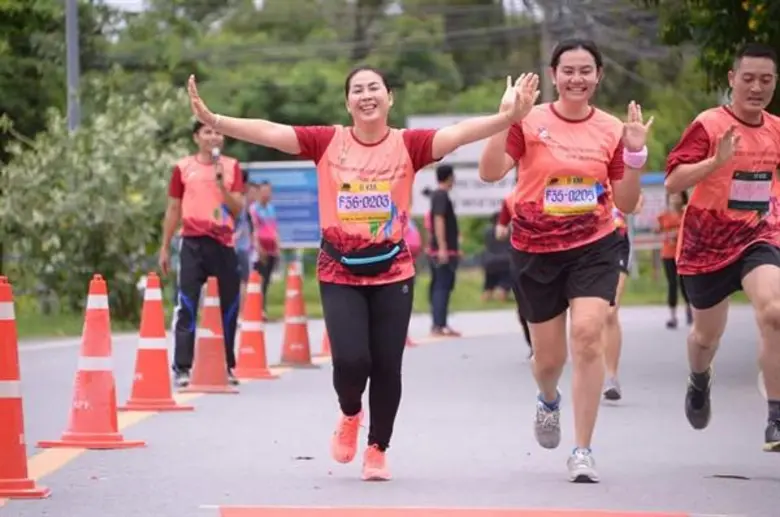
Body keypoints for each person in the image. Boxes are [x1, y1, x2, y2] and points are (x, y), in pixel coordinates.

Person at [186, 67, 541, 480]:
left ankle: (378, 447)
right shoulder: (327, 141)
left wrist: (507, 118)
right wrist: (215, 121)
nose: (366, 95)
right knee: (352, 360)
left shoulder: (410, 145)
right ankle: (351, 412)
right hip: (339, 269)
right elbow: (271, 131)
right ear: (347, 102)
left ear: (390, 98)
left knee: (387, 365)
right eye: (357, 90)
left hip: (394, 271)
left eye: (374, 88)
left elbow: (460, 133)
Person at [478, 38, 651, 483]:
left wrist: (634, 156)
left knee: (589, 334)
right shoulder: (529, 120)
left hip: (595, 245)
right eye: (568, 70)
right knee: (548, 359)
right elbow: (490, 171)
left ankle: (583, 450)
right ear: (554, 75)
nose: (577, 78)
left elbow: (628, 203)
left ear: (599, 77)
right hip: (536, 250)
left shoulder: (612, 128)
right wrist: (505, 119)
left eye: (586, 70)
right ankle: (548, 398)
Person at [663, 42, 780, 451]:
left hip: (757, 236)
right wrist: (715, 162)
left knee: (774, 312)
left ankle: (776, 418)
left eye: (766, 80)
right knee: (705, 338)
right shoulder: (710, 124)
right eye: (748, 78)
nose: (756, 87)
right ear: (732, 80)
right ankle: (698, 380)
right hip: (706, 246)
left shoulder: (777, 130)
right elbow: (674, 181)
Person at [160, 121, 245, 388]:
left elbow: (238, 208)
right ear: (197, 137)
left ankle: (227, 365)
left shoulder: (232, 167)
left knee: (229, 306)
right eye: (207, 132)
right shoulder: (183, 168)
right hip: (192, 243)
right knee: (186, 304)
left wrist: (221, 187)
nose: (213, 137)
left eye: (217, 132)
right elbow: (173, 208)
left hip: (223, 242)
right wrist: (164, 246)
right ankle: (182, 367)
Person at [602, 193, 643, 402]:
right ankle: (592, 367)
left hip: (616, 239)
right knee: (590, 315)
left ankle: (611, 376)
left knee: (610, 311)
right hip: (584, 238)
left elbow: (636, 203)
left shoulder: (617, 167)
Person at [496, 192, 533, 356]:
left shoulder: (510, 198)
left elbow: (499, 233)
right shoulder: (511, 199)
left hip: (529, 257)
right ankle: (536, 345)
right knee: (526, 305)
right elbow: (500, 231)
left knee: (526, 304)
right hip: (526, 257)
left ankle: (537, 345)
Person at [428, 164, 461, 337]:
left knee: (440, 286)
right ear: (449, 177)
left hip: (441, 249)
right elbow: (438, 220)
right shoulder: (441, 196)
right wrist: (442, 248)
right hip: (443, 251)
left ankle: (440, 324)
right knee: (442, 287)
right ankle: (439, 325)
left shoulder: (438, 196)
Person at [655, 191, 692, 329]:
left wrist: (679, 233)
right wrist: (667, 233)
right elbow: (657, 230)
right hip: (668, 254)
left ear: (683, 198)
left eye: (677, 196)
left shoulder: (687, 214)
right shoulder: (663, 216)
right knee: (672, 284)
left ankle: (689, 310)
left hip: (684, 253)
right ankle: (672, 316)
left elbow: (692, 230)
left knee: (684, 283)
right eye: (672, 196)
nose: (674, 199)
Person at [248, 180, 281, 320]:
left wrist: (278, 246)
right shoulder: (254, 209)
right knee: (258, 279)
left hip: (271, 249)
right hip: (259, 250)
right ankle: (256, 310)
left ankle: (262, 308)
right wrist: (258, 247)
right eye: (264, 191)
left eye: (269, 191)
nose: (266, 194)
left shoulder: (271, 209)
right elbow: (254, 230)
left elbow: (274, 229)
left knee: (266, 281)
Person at [234, 168, 254, 320]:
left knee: (242, 281)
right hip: (238, 246)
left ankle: (240, 313)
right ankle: (240, 313)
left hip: (241, 245)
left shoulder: (240, 197)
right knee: (242, 282)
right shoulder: (238, 198)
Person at [482, 212, 512, 302]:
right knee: (504, 285)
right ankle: (501, 295)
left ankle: (486, 298)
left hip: (490, 261)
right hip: (506, 261)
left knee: (489, 286)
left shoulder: (487, 231)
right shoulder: (509, 231)